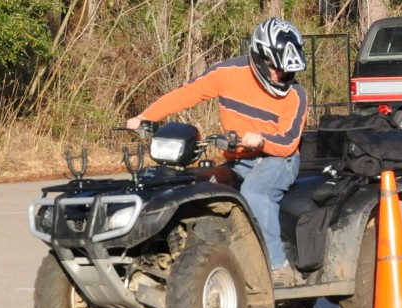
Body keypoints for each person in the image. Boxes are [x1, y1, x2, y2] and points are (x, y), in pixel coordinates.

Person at [127, 18, 308, 287]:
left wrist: (260, 141)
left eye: (287, 72)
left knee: (255, 194)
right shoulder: (227, 73)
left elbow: (287, 144)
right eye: (276, 69)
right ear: (258, 57)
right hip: (237, 161)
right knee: (193, 189)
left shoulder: (295, 96)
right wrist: (145, 116)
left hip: (277, 160)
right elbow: (187, 94)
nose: (280, 76)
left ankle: (278, 267)